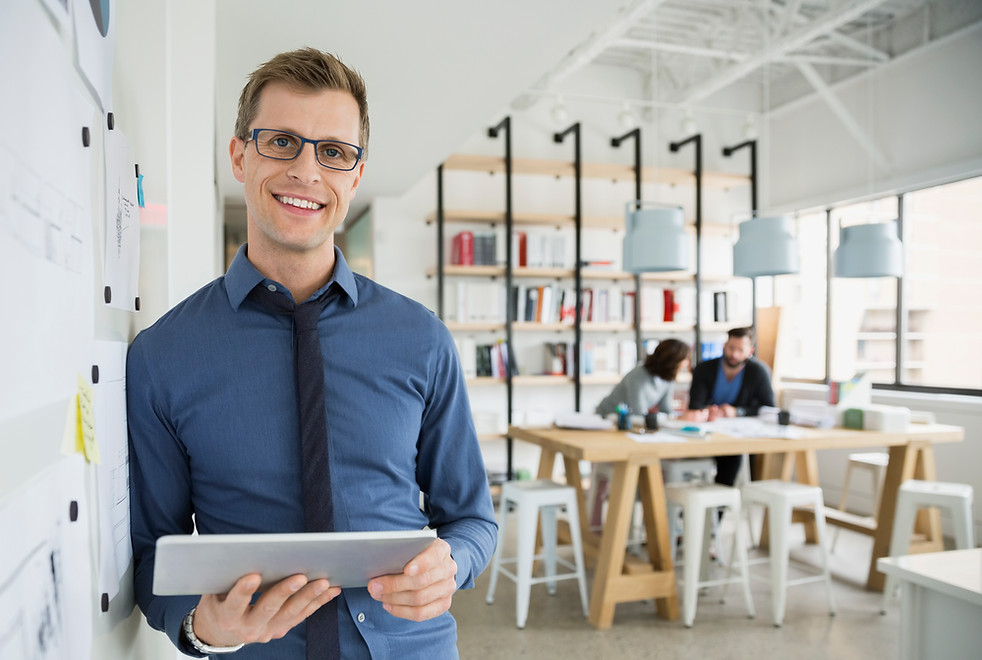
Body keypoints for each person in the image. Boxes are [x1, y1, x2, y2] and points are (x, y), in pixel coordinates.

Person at [127, 48, 497, 659]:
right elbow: (149, 554)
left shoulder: (421, 338)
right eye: (280, 142)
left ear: (354, 175)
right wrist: (203, 627)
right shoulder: (162, 356)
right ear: (239, 155)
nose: (306, 170)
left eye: (333, 151)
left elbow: (473, 520)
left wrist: (451, 565)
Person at [681, 326, 775, 486]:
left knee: (733, 456)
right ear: (724, 346)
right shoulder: (704, 369)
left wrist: (738, 412)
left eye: (740, 349)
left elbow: (770, 409)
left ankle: (721, 505)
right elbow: (695, 405)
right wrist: (707, 412)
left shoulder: (759, 372)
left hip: (737, 437)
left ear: (750, 351)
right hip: (706, 433)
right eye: (731, 348)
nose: (734, 354)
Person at [595, 338, 691, 418]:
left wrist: (681, 417)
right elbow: (639, 412)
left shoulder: (668, 377)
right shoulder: (638, 375)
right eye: (685, 359)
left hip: (631, 421)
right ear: (672, 361)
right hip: (608, 418)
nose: (686, 363)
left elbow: (666, 409)